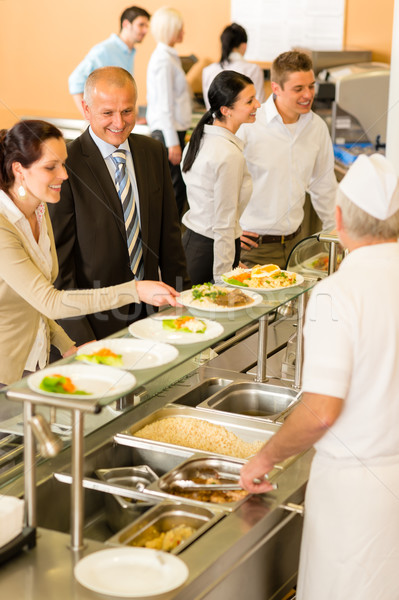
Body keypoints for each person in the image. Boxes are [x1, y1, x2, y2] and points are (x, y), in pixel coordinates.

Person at [240, 153, 399, 599]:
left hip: (356, 494)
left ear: (340, 220)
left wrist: (264, 459)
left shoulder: (337, 292)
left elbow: (321, 413)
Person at [0, 120, 181, 386]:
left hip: (36, 358)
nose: (64, 174)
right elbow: (49, 300)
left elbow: (33, 302)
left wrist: (67, 345)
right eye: (51, 167)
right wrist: (135, 290)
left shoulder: (40, 209)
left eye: (63, 163)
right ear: (19, 170)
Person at [49, 67, 189, 346]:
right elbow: (60, 270)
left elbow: (170, 240)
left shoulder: (153, 152)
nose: (119, 122)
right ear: (86, 109)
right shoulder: (65, 165)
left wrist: (182, 303)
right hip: (94, 323)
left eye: (127, 111)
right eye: (107, 113)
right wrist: (80, 339)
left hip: (152, 316)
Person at [237, 50, 337, 269]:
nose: (308, 95)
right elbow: (209, 174)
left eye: (311, 86)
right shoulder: (249, 123)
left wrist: (336, 239)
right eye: (298, 89)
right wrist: (228, 231)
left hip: (298, 246)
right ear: (276, 88)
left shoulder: (317, 127)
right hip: (253, 249)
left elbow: (324, 187)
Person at [181, 71, 260, 285]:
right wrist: (224, 278)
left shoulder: (199, 140)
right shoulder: (228, 154)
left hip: (195, 245)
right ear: (226, 110)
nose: (258, 105)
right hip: (211, 253)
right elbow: (223, 223)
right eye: (250, 101)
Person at [146, 6, 192, 220]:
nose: (184, 32)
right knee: (173, 195)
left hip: (173, 133)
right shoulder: (163, 60)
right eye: (180, 28)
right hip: (168, 135)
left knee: (176, 194)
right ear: (171, 29)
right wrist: (173, 142)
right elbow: (164, 105)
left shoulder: (170, 57)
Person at [68, 6, 150, 115]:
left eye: (147, 26)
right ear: (126, 24)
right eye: (141, 25)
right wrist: (89, 118)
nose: (145, 30)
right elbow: (75, 80)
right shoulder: (104, 50)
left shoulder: (130, 52)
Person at [202, 23, 265, 111]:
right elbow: (259, 105)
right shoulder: (253, 69)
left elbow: (209, 107)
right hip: (245, 123)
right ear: (244, 46)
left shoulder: (207, 70)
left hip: (215, 122)